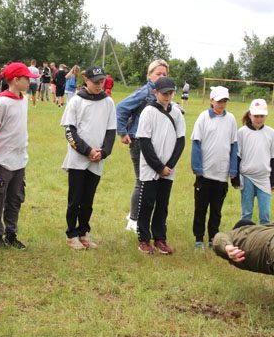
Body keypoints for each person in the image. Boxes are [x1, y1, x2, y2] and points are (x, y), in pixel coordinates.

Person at [61, 65, 116, 250]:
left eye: (102, 81)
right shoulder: (76, 101)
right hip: (78, 160)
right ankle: (71, 234)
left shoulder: (108, 102)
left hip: (97, 161)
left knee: (88, 201)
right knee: (75, 199)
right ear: (86, 80)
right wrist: (87, 151)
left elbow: (111, 131)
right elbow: (70, 131)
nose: (99, 85)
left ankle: (84, 232)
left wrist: (103, 152)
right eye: (96, 82)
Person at [0, 62, 38, 251]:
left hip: (19, 160)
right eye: (27, 79)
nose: (30, 83)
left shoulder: (23, 100)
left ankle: (11, 233)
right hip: (2, 161)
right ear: (16, 80)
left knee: (15, 199)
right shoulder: (0, 103)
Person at [115, 59, 169, 233]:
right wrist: (123, 132)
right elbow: (121, 108)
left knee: (154, 181)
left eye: (164, 74)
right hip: (139, 142)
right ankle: (133, 219)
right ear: (149, 75)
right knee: (142, 181)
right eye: (158, 73)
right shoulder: (145, 92)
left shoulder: (164, 94)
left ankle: (145, 217)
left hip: (155, 144)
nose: (161, 77)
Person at [134, 77, 186, 254]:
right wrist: (158, 167)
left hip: (168, 169)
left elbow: (181, 141)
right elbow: (145, 142)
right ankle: (143, 238)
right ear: (155, 92)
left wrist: (169, 166)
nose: (168, 96)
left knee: (162, 204)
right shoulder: (148, 112)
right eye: (164, 93)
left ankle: (160, 238)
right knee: (147, 202)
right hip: (150, 168)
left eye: (171, 93)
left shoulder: (177, 113)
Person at [190, 85, 238, 248]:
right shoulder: (203, 117)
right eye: (219, 101)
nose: (221, 104)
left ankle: (213, 238)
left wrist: (233, 170)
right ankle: (198, 238)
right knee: (201, 208)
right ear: (211, 101)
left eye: (224, 101)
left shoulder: (231, 119)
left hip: (221, 174)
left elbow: (234, 145)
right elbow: (196, 143)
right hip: (205, 173)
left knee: (216, 210)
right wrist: (197, 168)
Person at [236, 99, 274, 225]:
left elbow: (273, 157)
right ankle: (243, 237)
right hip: (247, 176)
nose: (258, 119)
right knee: (247, 212)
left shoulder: (271, 133)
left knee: (265, 213)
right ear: (250, 115)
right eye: (256, 116)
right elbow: (238, 156)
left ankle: (263, 240)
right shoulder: (242, 132)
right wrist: (236, 178)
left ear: (265, 116)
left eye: (261, 116)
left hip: (264, 177)